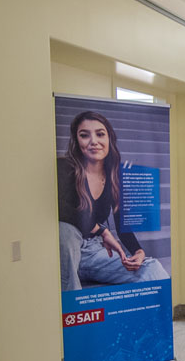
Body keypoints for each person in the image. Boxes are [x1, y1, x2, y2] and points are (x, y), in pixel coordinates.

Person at [57, 111, 167, 291]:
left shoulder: (114, 177)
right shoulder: (64, 167)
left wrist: (139, 252)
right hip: (66, 249)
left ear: (109, 138)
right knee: (66, 229)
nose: (94, 141)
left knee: (152, 268)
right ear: (77, 141)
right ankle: (75, 310)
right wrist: (101, 230)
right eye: (84, 135)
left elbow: (122, 225)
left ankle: (159, 318)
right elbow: (58, 208)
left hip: (93, 252)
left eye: (100, 134)